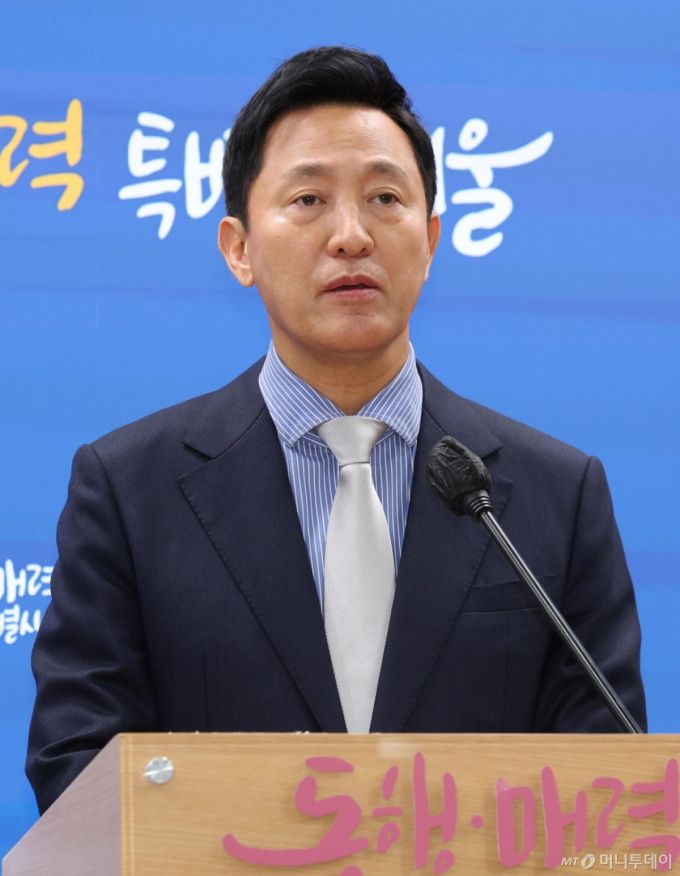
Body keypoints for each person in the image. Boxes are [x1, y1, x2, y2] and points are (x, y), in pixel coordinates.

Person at [26, 46, 646, 815]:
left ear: (432, 239)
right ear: (239, 249)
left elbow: (606, 782)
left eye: (385, 198)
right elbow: (78, 771)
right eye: (309, 200)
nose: (351, 235)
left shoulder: (556, 494)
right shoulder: (128, 490)